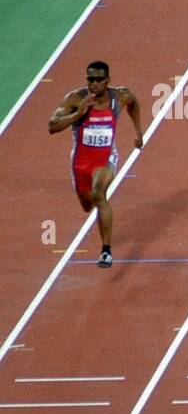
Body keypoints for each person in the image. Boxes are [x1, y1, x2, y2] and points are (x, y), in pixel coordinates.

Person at [47, 60, 143, 268]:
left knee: (99, 194)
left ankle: (106, 251)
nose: (95, 84)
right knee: (87, 205)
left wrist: (138, 132)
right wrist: (78, 114)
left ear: (108, 80)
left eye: (99, 79)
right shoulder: (75, 99)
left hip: (105, 158)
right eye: (91, 79)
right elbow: (52, 126)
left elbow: (133, 102)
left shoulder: (118, 96)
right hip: (81, 163)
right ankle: (94, 207)